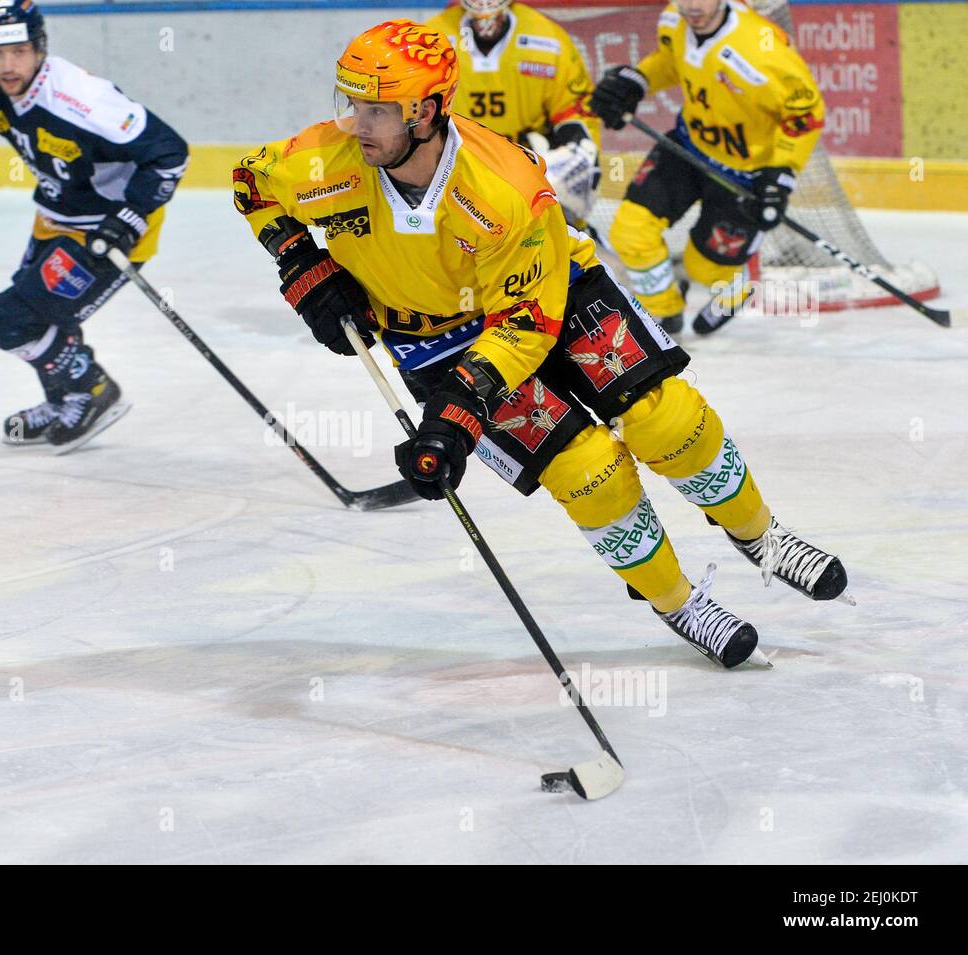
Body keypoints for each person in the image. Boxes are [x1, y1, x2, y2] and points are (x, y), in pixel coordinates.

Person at [232, 19, 846, 668]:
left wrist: (462, 406)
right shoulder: (324, 161)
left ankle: (763, 537)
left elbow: (529, 321)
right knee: (590, 475)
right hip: (429, 337)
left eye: (378, 109)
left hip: (553, 294)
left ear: (431, 110)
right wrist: (301, 263)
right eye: (353, 103)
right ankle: (679, 602)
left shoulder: (505, 188)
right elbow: (252, 184)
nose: (357, 124)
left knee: (668, 422)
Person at [0, 0, 189, 453]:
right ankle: (65, 400)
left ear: (40, 49)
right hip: (55, 219)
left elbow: (170, 152)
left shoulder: (82, 100)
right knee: (43, 317)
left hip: (109, 231)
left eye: (17, 52)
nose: (6, 65)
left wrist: (130, 216)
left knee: (13, 318)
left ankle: (93, 391)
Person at [590, 0, 825, 333]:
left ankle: (736, 285)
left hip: (743, 176)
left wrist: (780, 174)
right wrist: (639, 81)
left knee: (703, 268)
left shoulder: (762, 50)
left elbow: (805, 116)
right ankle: (663, 310)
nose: (692, 6)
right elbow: (672, 63)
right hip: (688, 148)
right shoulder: (674, 19)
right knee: (630, 231)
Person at [423, 0, 600, 224]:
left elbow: (575, 109)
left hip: (529, 162)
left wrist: (579, 147)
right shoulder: (433, 42)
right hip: (457, 161)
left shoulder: (548, 39)